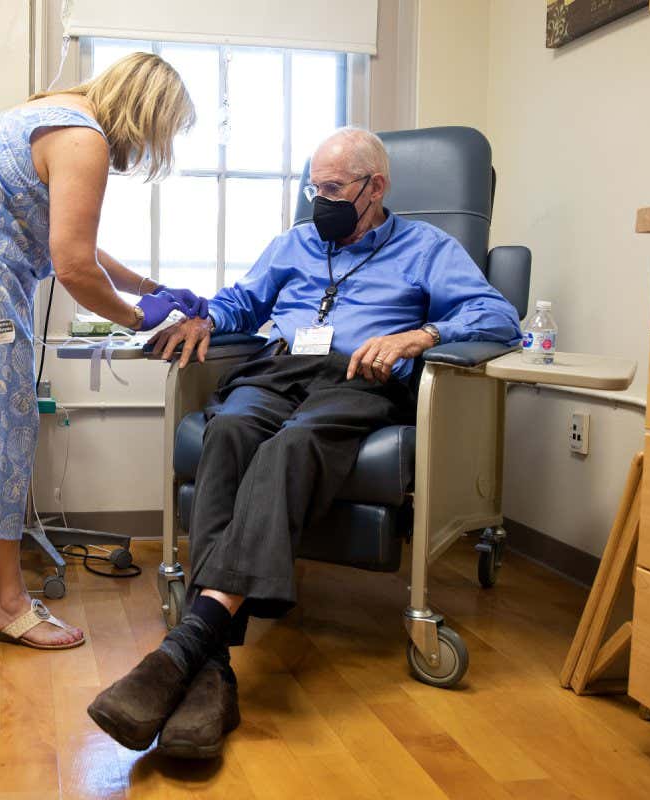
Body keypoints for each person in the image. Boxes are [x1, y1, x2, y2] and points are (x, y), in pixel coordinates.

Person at [88, 127, 521, 754]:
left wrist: (418, 336)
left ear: (376, 188)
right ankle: (208, 668)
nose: (320, 200)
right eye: (313, 187)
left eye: (334, 188)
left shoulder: (427, 248)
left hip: (357, 379)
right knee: (230, 428)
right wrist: (203, 318)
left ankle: (185, 650)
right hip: (277, 367)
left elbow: (497, 315)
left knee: (290, 446)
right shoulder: (292, 244)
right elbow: (241, 303)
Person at [0, 53, 204, 651]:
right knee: (0, 426)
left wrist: (149, 289)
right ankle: (6, 603)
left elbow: (77, 246)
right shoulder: (85, 140)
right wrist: (137, 320)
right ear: (147, 114)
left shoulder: (47, 115)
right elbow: (73, 264)